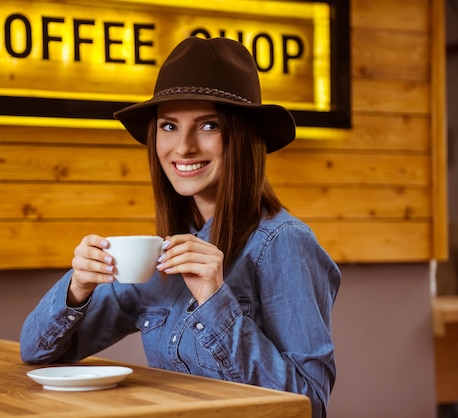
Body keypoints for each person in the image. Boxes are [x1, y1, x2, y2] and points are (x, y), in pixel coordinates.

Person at [20, 36, 341, 418]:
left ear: (242, 137)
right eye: (169, 126)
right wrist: (77, 287)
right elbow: (36, 351)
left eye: (208, 125)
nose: (183, 147)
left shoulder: (283, 243)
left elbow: (311, 404)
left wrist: (215, 300)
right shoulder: (162, 254)